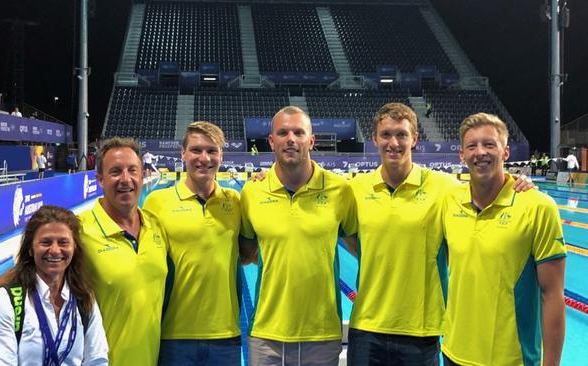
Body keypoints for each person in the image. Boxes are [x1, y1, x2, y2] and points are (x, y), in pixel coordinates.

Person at [344, 103, 535, 365]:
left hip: (422, 330)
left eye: (402, 134)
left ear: (415, 139)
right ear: (375, 139)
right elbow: (345, 232)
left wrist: (518, 182)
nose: (394, 142)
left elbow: (486, 189)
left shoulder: (445, 188)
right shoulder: (355, 189)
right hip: (366, 326)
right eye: (386, 134)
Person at [0, 137, 170, 365]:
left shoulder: (155, 225)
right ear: (100, 180)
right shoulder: (79, 229)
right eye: (115, 171)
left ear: (143, 175)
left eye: (132, 170)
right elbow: (25, 268)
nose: (125, 179)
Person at [441, 113, 566, 366]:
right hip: (453, 353)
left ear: (506, 152)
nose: (480, 152)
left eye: (489, 144)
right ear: (461, 156)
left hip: (512, 358)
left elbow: (552, 295)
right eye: (471, 146)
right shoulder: (448, 201)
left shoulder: (538, 207)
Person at [239, 106, 357, 366]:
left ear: (311, 140)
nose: (291, 138)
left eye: (298, 132)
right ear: (272, 141)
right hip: (266, 335)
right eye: (282, 132)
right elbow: (246, 254)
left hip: (322, 334)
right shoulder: (252, 193)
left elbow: (361, 248)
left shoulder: (340, 190)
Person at [143, 122, 242, 365]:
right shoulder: (157, 202)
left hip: (225, 335)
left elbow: (250, 252)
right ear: (183, 153)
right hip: (174, 335)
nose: (204, 158)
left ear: (221, 156)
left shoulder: (236, 201)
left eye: (212, 151)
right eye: (196, 150)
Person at [0, 205, 108, 365]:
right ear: (30, 249)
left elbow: (97, 359)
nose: (55, 250)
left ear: (74, 247)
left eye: (63, 242)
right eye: (46, 242)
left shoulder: (83, 297)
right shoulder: (7, 302)